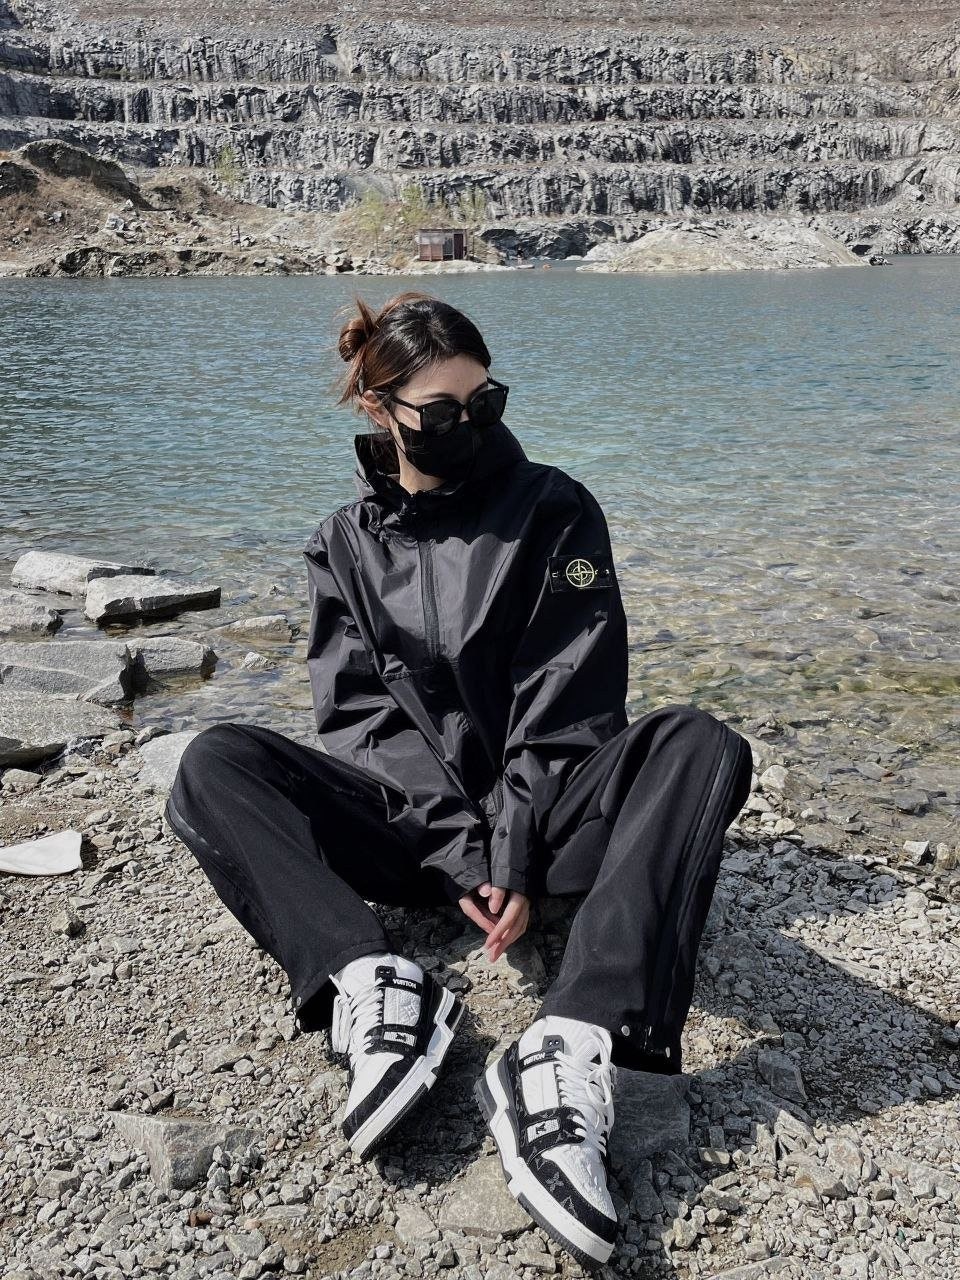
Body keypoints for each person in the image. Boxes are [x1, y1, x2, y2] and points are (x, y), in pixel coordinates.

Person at [164, 289, 753, 1267]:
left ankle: (568, 1043)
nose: (470, 426)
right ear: (379, 407)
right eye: (442, 411)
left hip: (552, 828)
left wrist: (510, 851)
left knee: (701, 745)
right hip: (415, 838)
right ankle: (372, 979)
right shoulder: (343, 545)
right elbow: (361, 721)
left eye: (486, 403)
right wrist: (458, 855)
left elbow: (568, 697)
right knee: (213, 763)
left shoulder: (553, 509)